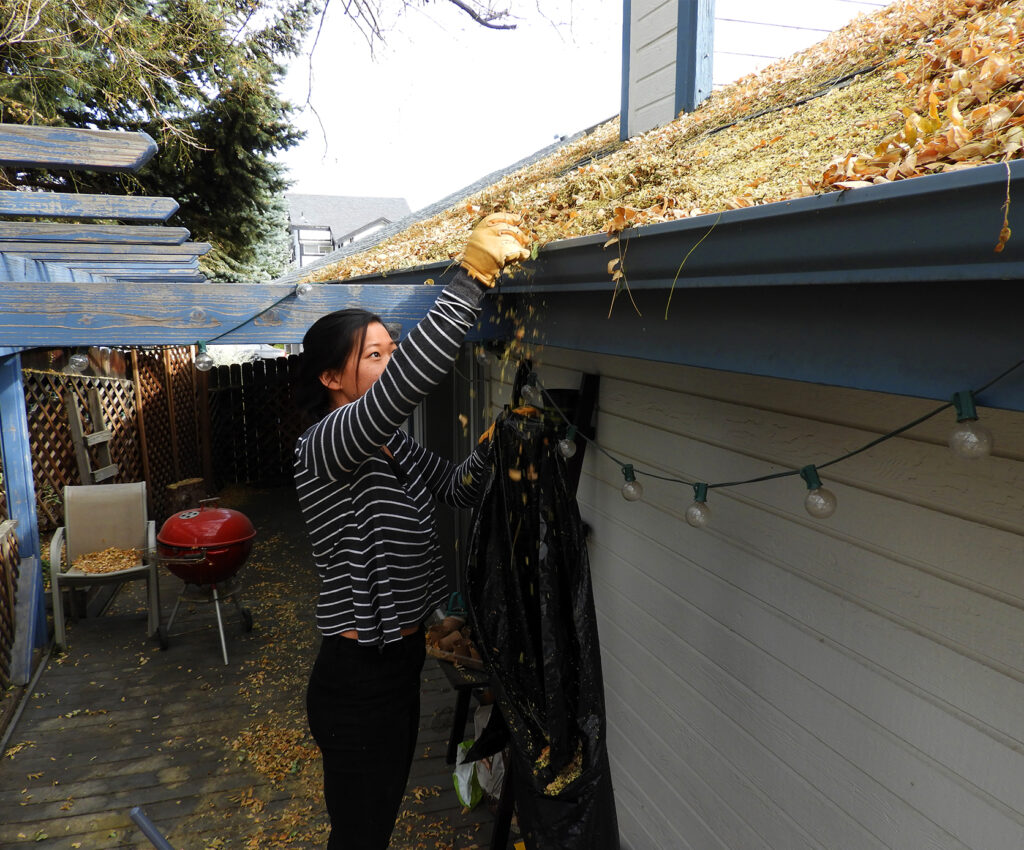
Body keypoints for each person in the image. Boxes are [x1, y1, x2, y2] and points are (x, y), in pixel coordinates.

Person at [293, 213, 531, 849]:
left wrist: (492, 442)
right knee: (360, 835)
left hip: (400, 663)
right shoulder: (326, 443)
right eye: (374, 355)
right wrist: (470, 278)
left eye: (391, 348)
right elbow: (402, 390)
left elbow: (457, 488)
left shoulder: (391, 445)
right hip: (354, 676)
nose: (390, 360)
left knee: (378, 824)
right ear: (330, 378)